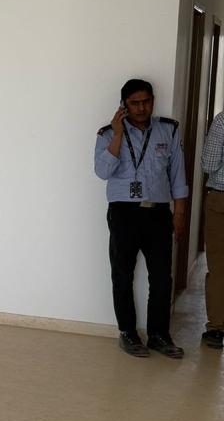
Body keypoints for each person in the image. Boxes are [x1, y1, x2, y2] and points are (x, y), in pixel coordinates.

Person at [94, 79, 188, 358]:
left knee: (161, 277)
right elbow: (102, 172)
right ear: (124, 105)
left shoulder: (168, 130)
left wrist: (179, 213)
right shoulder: (107, 134)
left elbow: (178, 175)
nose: (141, 107)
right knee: (122, 273)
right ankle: (127, 332)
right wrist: (118, 135)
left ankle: (159, 335)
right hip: (123, 213)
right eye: (134, 103)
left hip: (158, 213)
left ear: (153, 101)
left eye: (146, 101)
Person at [200, 105, 224, 350]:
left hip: (221, 200)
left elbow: (208, 164)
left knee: (219, 267)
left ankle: (217, 329)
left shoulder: (222, 121)